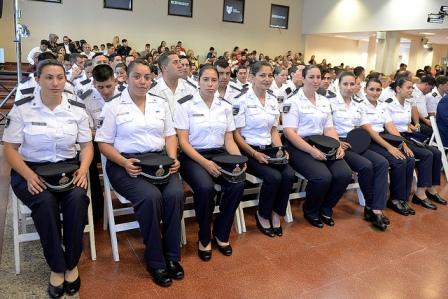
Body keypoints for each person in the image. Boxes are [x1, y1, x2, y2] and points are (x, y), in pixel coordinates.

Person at [3, 59, 93, 298]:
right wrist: (28, 175)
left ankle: (71, 263)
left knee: (77, 200)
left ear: (66, 79)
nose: (55, 83)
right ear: (37, 80)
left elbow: (86, 146)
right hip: (30, 169)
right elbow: (10, 149)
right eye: (49, 78)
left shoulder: (76, 108)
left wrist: (83, 169)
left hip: (68, 168)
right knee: (44, 202)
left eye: (60, 77)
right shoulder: (22, 108)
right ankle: (57, 266)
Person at [95, 59, 184, 287]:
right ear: (126, 77)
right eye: (137, 76)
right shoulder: (113, 106)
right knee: (150, 197)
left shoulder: (159, 103)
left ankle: (172, 256)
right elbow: (103, 144)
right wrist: (124, 162)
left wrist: (172, 157)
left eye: (147, 77)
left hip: (158, 161)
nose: (142, 82)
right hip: (124, 163)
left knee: (175, 195)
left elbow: (170, 135)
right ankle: (155, 260)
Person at [175, 65, 245, 261]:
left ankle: (222, 234)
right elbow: (183, 142)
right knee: (206, 188)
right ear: (198, 81)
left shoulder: (225, 106)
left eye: (214, 80)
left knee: (237, 183)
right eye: (206, 79)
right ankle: (204, 236)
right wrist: (205, 163)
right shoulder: (185, 104)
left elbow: (229, 140)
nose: (211, 84)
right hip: (193, 156)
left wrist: (240, 160)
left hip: (220, 154)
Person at [282, 65, 352, 228]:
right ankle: (311, 210)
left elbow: (329, 128)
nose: (315, 81)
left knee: (344, 174)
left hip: (323, 143)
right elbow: (289, 133)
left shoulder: (324, 101)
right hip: (299, 145)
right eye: (311, 77)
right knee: (322, 177)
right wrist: (311, 150)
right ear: (303, 78)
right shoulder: (293, 101)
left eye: (318, 77)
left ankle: (326, 208)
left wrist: (337, 145)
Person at [233, 61, 295, 237]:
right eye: (262, 75)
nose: (267, 79)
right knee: (274, 177)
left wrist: (280, 148)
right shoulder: (241, 100)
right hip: (248, 150)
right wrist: (254, 153)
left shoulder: (273, 99)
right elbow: (236, 135)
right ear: (251, 77)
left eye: (269, 75)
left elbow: (274, 130)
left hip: (269, 147)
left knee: (289, 174)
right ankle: (263, 215)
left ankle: (277, 213)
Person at [330, 72, 390, 230]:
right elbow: (327, 127)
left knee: (382, 163)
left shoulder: (358, 105)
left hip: (356, 142)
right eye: (345, 84)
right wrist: (337, 143)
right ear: (339, 85)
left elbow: (362, 126)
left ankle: (376, 207)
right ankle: (372, 207)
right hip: (339, 143)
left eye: (352, 84)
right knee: (365, 166)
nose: (349, 88)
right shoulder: (330, 103)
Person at [384, 77, 446, 209]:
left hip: (406, 135)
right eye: (408, 87)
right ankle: (420, 193)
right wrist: (404, 142)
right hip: (393, 137)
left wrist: (412, 127)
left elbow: (405, 123)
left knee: (436, 152)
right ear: (398, 89)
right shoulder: (388, 103)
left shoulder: (407, 103)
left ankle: (431, 188)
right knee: (426, 154)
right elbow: (390, 126)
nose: (411, 90)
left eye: (412, 87)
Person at [359, 78, 416, 216]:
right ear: (365, 90)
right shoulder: (361, 105)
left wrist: (402, 143)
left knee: (409, 158)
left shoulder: (382, 105)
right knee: (398, 160)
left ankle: (402, 198)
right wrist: (390, 147)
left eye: (378, 89)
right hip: (369, 139)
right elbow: (369, 130)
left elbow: (390, 125)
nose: (375, 92)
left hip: (383, 136)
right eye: (371, 89)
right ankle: (394, 199)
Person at [150, 51, 197, 117]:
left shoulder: (191, 89)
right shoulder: (152, 91)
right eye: (175, 62)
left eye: (179, 61)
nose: (180, 66)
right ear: (164, 68)